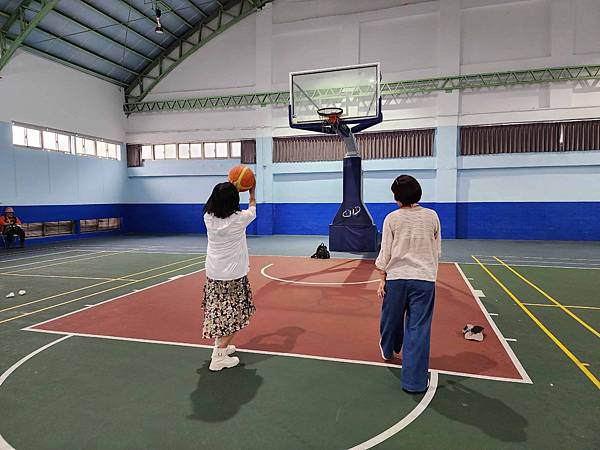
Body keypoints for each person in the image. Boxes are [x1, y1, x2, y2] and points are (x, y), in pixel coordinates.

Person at [375, 175, 441, 393]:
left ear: (397, 196)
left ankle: (388, 350)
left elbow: (385, 252)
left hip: (397, 278)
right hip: (424, 279)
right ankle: (414, 382)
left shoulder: (392, 219)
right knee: (418, 329)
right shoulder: (432, 217)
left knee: (390, 319)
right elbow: (437, 250)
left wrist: (381, 276)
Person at [202, 182, 257, 371]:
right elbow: (253, 208)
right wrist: (251, 190)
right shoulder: (240, 219)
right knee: (235, 315)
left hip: (214, 273)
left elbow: (221, 199)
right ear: (234, 200)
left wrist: (229, 186)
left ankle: (221, 348)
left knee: (219, 312)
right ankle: (219, 356)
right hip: (233, 276)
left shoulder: (208, 217)